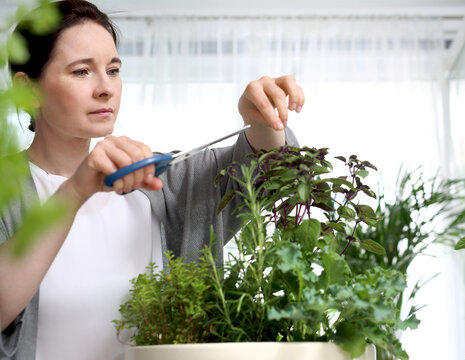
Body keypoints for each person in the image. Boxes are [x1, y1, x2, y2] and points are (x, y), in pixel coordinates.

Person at [0, 1, 304, 359]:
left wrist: (264, 120)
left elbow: (265, 171)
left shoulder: (161, 183)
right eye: (82, 72)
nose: (106, 88)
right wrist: (75, 190)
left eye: (113, 70)